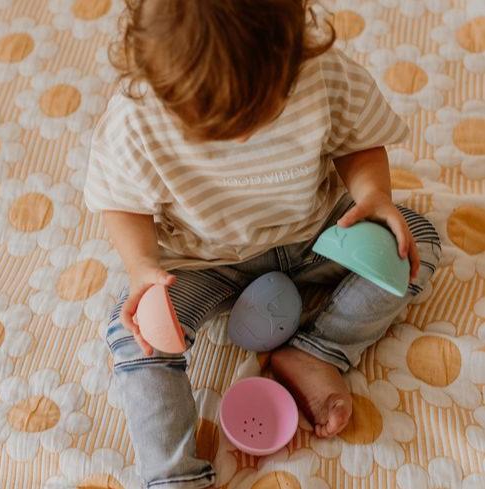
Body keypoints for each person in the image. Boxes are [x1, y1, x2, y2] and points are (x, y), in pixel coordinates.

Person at [83, 1, 442, 488]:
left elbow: (358, 144)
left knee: (414, 241)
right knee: (135, 335)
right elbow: (121, 204)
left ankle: (320, 349)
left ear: (295, 48)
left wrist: (373, 195)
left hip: (314, 233)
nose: (243, 139)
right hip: (203, 261)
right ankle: (173, 475)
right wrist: (142, 265)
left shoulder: (323, 74)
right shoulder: (136, 119)